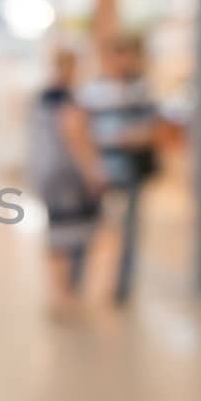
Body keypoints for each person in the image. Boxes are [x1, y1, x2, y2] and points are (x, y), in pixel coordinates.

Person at [79, 34, 160, 306]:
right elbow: (81, 130)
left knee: (130, 232)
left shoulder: (141, 89)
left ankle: (121, 288)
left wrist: (132, 137)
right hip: (101, 168)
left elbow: (151, 130)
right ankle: (79, 281)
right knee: (91, 226)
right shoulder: (93, 91)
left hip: (131, 170)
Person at [31, 47, 107, 314]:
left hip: (46, 174)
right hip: (67, 175)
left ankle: (57, 292)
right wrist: (93, 172)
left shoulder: (42, 97)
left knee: (55, 234)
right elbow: (74, 135)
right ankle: (65, 294)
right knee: (70, 235)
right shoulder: (66, 99)